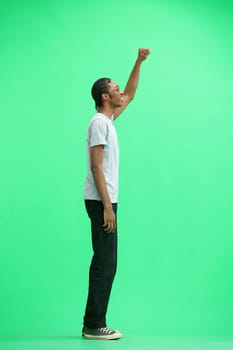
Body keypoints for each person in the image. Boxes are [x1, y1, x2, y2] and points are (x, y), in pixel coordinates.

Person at [82, 48, 151, 340]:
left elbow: (132, 94)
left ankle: (93, 322)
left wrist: (138, 62)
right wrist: (108, 208)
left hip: (105, 201)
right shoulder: (99, 123)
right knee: (105, 262)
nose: (121, 91)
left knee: (107, 261)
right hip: (101, 202)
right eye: (115, 89)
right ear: (105, 97)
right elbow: (97, 168)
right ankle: (94, 324)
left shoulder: (108, 122)